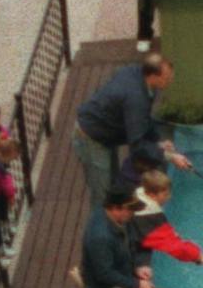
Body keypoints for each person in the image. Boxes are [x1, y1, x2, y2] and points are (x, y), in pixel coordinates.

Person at [75, 51, 189, 204]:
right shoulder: (136, 99)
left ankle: (115, 217)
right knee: (102, 194)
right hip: (91, 137)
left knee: (113, 183)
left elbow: (142, 121)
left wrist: (157, 143)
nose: (171, 80)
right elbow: (137, 145)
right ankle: (102, 223)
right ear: (153, 76)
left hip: (106, 132)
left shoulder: (137, 74)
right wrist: (171, 156)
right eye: (167, 77)